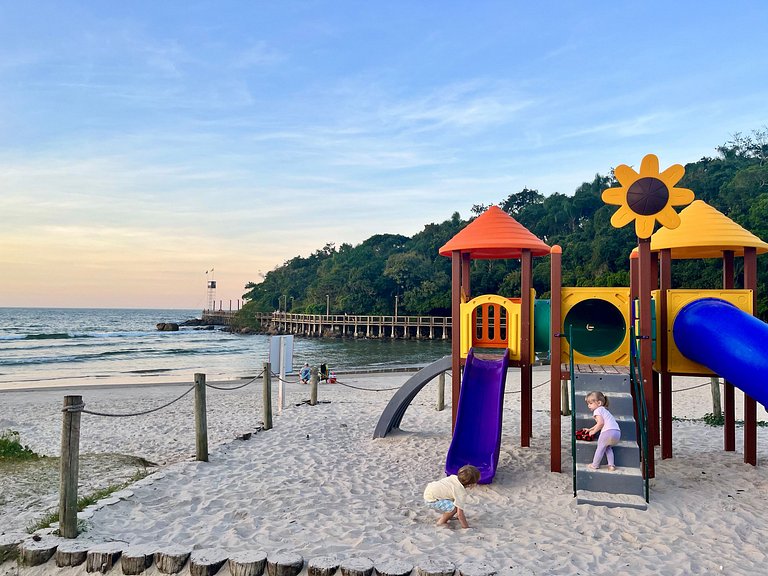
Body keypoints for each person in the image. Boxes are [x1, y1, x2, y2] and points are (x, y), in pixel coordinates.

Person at [423, 464, 480, 528]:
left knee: (453, 501)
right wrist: (466, 527)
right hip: (431, 500)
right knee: (454, 508)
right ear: (471, 484)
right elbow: (460, 514)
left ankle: (448, 515)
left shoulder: (453, 477)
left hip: (429, 491)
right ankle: (441, 522)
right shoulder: (461, 492)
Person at [583, 391, 621, 471]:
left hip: (607, 432)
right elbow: (599, 423)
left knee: (600, 448)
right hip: (617, 432)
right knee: (608, 448)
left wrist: (593, 432)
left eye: (590, 403)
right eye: (588, 404)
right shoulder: (604, 410)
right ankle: (611, 465)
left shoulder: (597, 411)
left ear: (599, 403)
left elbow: (600, 423)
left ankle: (595, 465)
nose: (588, 405)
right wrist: (590, 429)